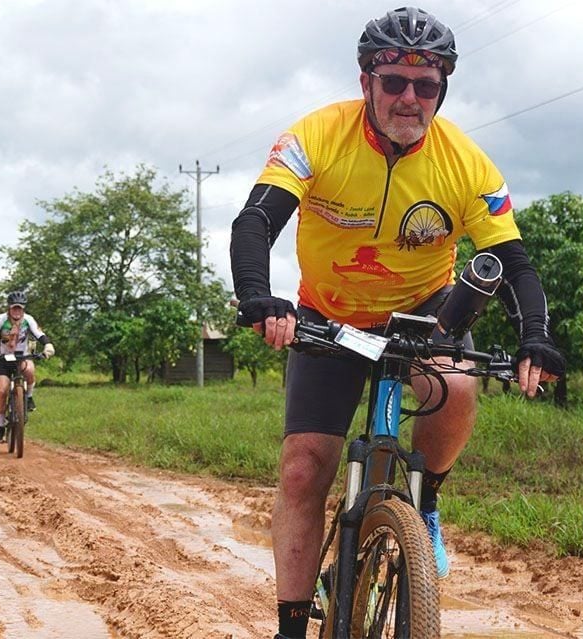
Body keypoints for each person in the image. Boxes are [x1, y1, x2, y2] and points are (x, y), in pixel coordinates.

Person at [228, 7, 565, 638]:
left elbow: (514, 262)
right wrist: (258, 295)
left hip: (424, 316)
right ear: (366, 83)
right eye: (394, 82)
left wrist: (535, 337)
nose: (410, 97)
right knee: (304, 467)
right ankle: (292, 627)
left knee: (457, 384)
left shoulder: (466, 162)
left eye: (427, 85)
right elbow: (256, 221)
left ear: (442, 89)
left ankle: (425, 499)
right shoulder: (317, 136)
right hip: (330, 314)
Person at [0, 291, 54, 443]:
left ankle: (28, 397)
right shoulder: (2, 319)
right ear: (9, 308)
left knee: (29, 370)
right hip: (4, 358)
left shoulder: (28, 320)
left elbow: (40, 334)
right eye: (14, 308)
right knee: (2, 390)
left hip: (22, 356)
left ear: (23, 309)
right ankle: (0, 426)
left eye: (20, 308)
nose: (17, 311)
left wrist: (47, 346)